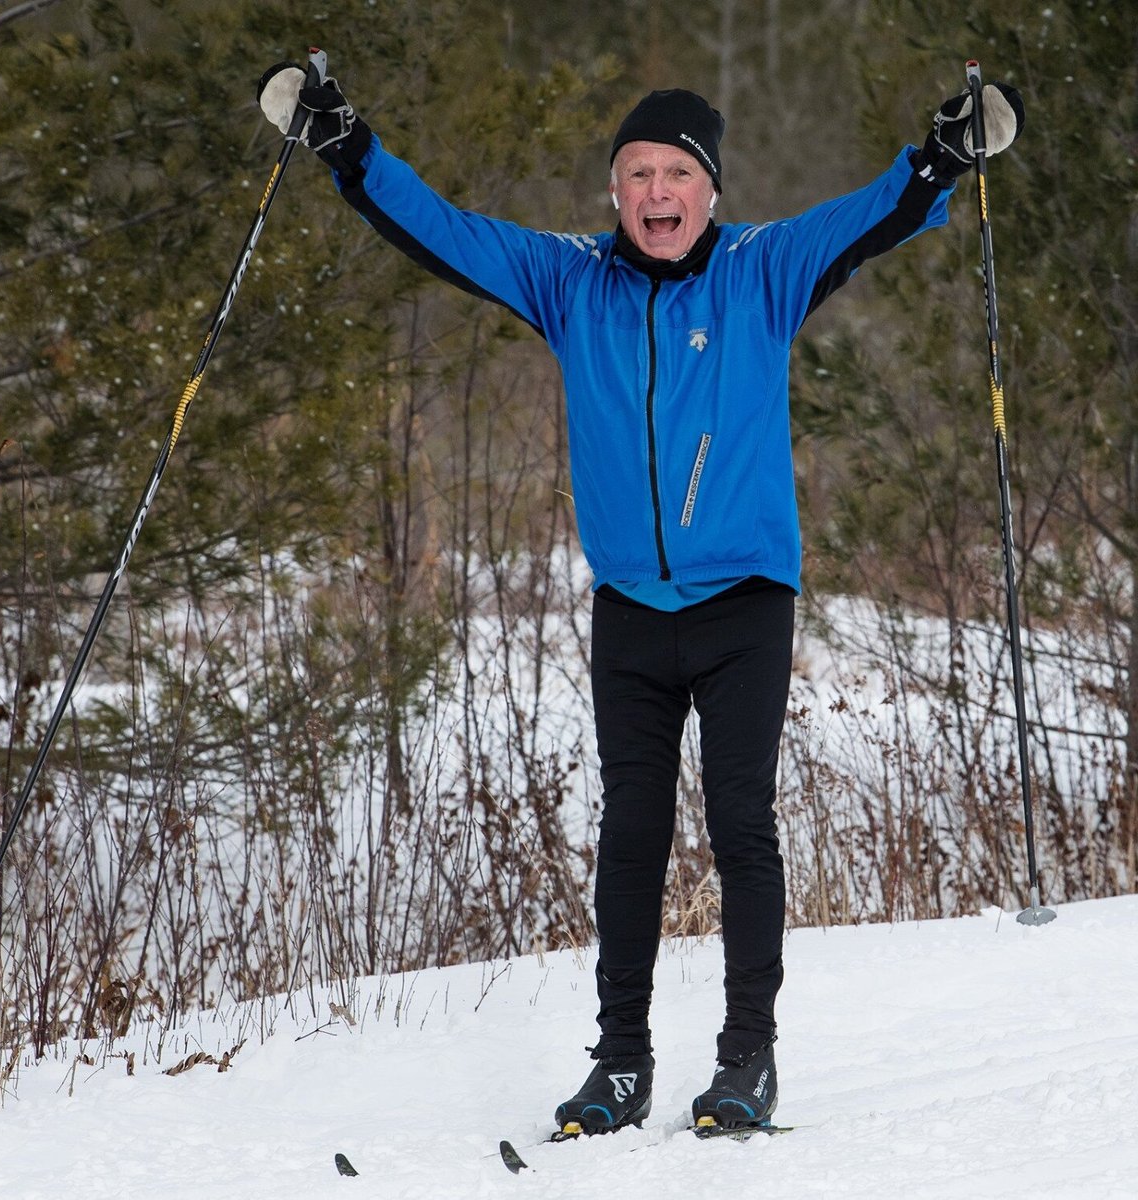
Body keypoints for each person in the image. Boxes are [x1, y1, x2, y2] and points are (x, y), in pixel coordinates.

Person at [257, 61, 1024, 1135]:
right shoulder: (571, 282)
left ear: (710, 190)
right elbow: (445, 231)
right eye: (636, 174)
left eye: (676, 173)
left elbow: (875, 215)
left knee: (741, 825)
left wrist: (939, 155)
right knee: (632, 833)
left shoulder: (764, 270)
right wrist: (350, 150)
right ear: (615, 192)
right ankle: (621, 1063)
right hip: (630, 612)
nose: (656, 192)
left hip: (745, 601)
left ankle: (746, 1061)